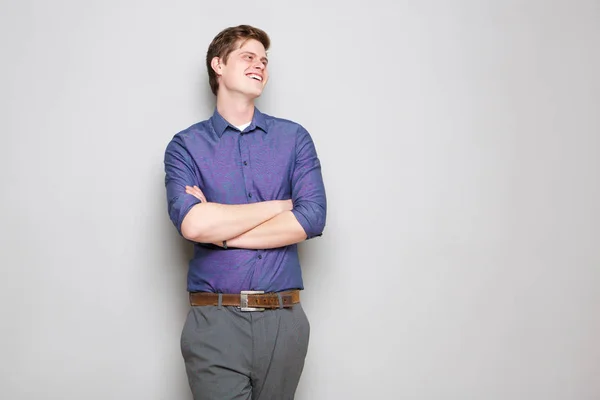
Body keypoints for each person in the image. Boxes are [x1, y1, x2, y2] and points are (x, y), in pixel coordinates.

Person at [163, 25, 327, 400]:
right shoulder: (186, 146)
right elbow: (192, 223)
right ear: (218, 65)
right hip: (215, 322)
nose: (260, 66)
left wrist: (220, 231)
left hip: (284, 323)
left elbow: (312, 218)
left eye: (264, 60)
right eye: (248, 57)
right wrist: (280, 206)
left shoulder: (294, 138)